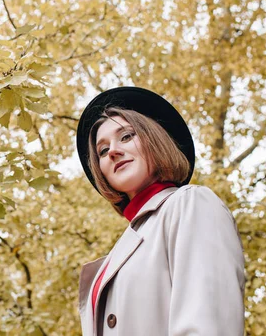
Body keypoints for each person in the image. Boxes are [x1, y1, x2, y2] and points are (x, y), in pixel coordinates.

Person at [76, 86, 246, 336]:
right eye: (102, 150)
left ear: (155, 139)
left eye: (126, 136)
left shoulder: (190, 205)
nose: (112, 151)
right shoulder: (118, 252)